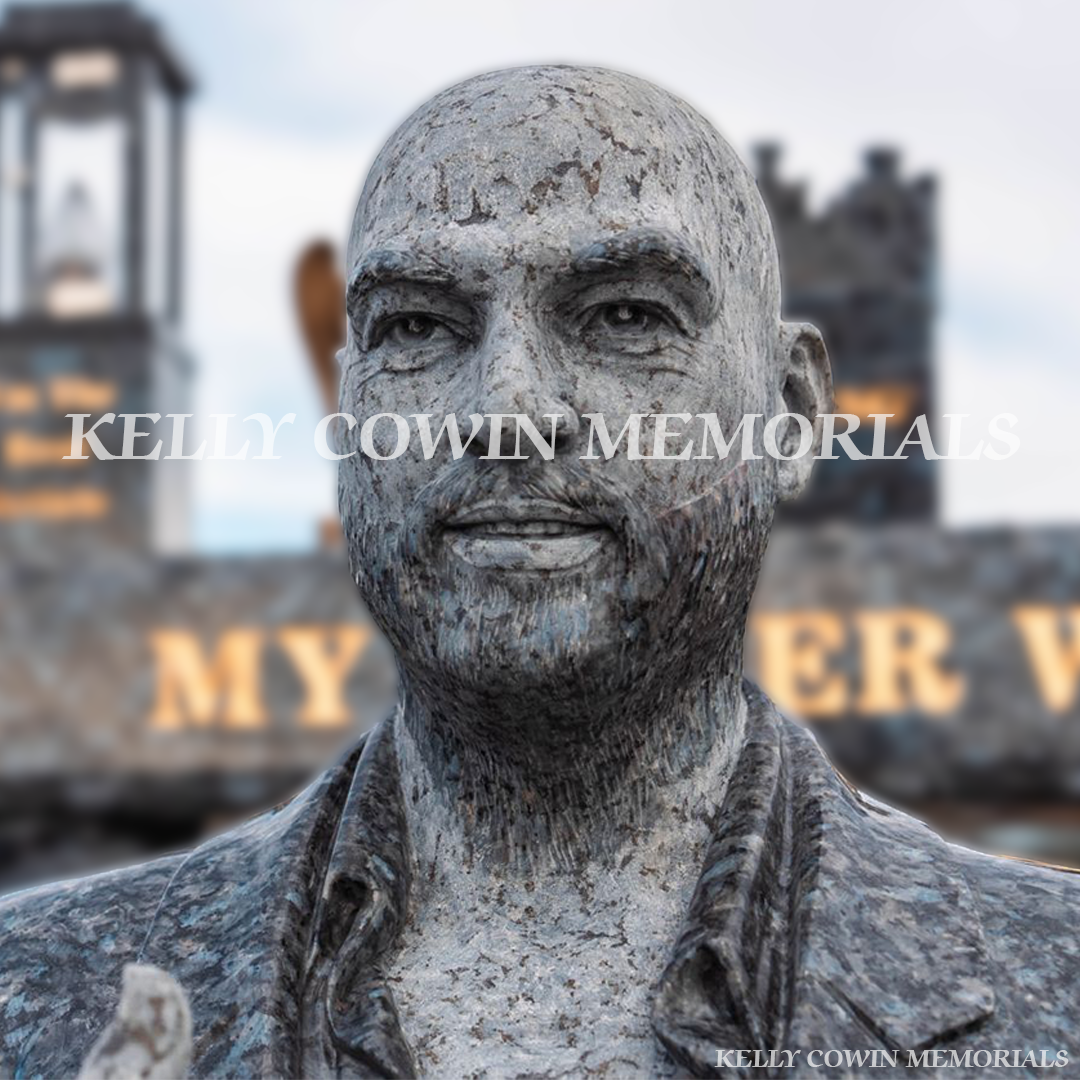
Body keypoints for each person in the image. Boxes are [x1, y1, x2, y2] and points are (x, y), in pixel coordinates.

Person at [2, 66, 1076, 1080]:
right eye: (418, 326)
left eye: (623, 316)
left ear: (791, 413)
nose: (506, 413)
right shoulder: (33, 992)